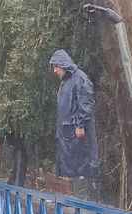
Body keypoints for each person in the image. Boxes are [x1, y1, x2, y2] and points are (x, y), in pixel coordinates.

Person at [49, 49, 100, 199]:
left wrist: (79, 125)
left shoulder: (80, 79)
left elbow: (86, 104)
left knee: (83, 167)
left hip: (78, 134)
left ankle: (85, 205)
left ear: (63, 65)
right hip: (69, 134)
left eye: (56, 66)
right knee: (75, 168)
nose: (55, 71)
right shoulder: (67, 81)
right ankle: (80, 202)